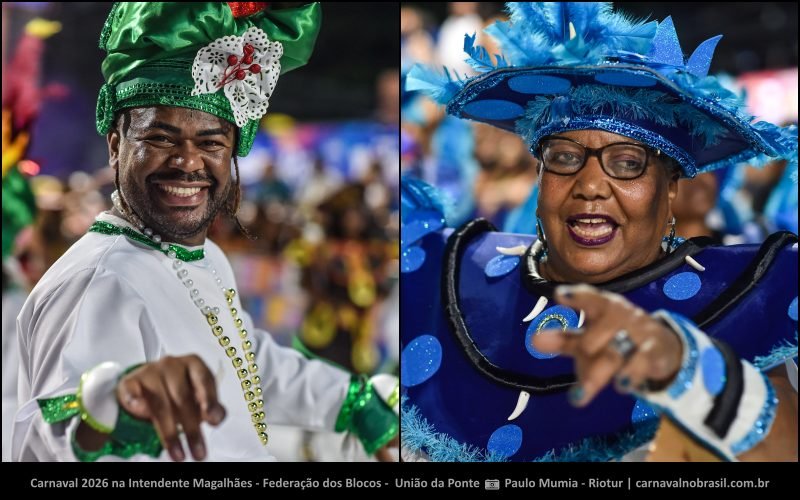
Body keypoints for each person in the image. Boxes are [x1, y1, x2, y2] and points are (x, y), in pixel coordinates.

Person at [402, 3, 797, 461]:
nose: (590, 186)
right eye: (565, 157)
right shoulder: (445, 268)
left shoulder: (752, 296)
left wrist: (688, 367)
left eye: (628, 163)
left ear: (670, 188)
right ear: (541, 176)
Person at [12, 2, 398, 462]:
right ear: (116, 145)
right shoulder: (100, 280)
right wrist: (110, 410)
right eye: (160, 138)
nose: (189, 162)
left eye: (211, 142)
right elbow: (60, 430)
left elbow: (246, 364)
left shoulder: (200, 256)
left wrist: (350, 401)